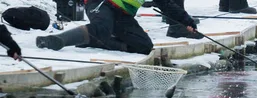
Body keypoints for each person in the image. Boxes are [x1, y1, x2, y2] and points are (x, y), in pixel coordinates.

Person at [35, 0, 200, 54]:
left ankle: (94, 40)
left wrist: (187, 22)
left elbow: (168, 6)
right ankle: (56, 40)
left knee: (144, 46)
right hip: (101, 3)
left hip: (123, 14)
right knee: (102, 26)